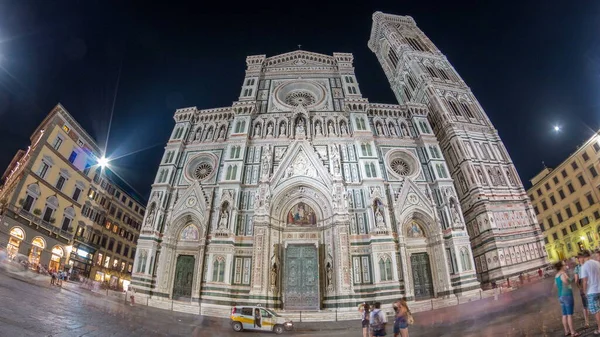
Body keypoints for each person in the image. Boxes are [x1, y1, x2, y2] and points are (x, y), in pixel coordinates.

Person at [554, 261, 579, 336]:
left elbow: (556, 286)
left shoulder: (556, 275)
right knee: (569, 315)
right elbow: (567, 282)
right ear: (561, 266)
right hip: (567, 295)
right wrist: (574, 277)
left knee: (564, 314)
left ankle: (566, 331)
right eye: (564, 265)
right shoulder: (563, 274)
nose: (566, 266)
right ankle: (573, 332)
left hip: (560, 296)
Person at [580, 250, 600, 334]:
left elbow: (584, 281)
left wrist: (584, 291)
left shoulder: (584, 266)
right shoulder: (597, 263)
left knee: (597, 311)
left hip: (592, 291)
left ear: (584, 257)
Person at [574, 256, 591, 329]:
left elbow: (576, 280)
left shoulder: (577, 268)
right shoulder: (587, 265)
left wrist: (580, 288)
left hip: (582, 284)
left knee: (585, 305)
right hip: (590, 284)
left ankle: (587, 322)